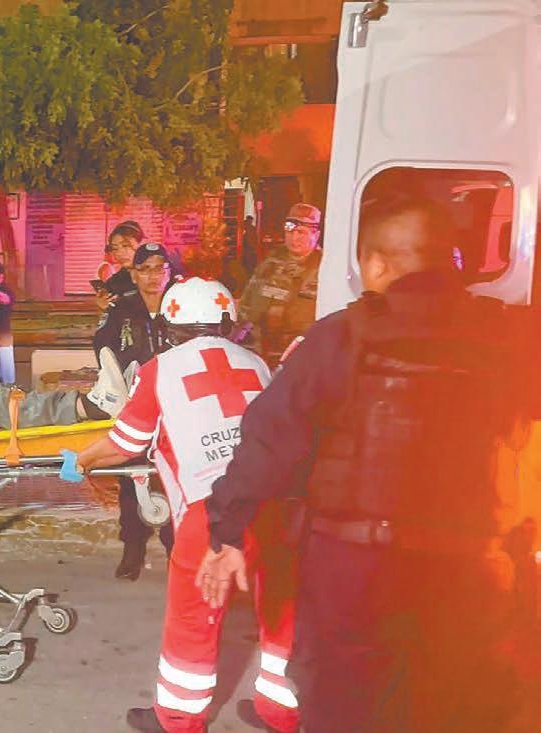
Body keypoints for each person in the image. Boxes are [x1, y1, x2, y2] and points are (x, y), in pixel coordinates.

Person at [198, 195, 533, 733]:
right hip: (470, 577)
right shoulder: (511, 336)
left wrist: (227, 530)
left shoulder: (341, 336)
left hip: (353, 574)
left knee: (345, 709)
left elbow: (269, 440)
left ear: (377, 263)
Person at [64, 277, 298, 733]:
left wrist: (81, 461)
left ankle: (178, 720)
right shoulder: (255, 363)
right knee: (280, 610)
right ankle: (280, 711)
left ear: (169, 326)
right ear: (228, 322)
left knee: (194, 618)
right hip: (271, 504)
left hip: (209, 511)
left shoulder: (161, 369)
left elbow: (125, 443)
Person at [92, 242, 175, 580]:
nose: (153, 276)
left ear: (169, 272)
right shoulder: (121, 309)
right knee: (130, 477)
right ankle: (133, 550)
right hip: (135, 405)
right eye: (145, 269)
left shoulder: (181, 305)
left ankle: (176, 549)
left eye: (159, 268)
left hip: (174, 406)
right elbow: (102, 349)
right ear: (134, 274)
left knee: (171, 478)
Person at [238, 203, 322, 366]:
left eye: (301, 232)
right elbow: (247, 306)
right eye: (290, 232)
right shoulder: (270, 262)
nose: (294, 238)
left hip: (303, 359)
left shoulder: (326, 268)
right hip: (262, 356)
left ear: (316, 235)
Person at [96, 220, 145, 307]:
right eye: (115, 248)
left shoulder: (159, 274)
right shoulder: (114, 282)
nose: (119, 253)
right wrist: (103, 305)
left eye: (125, 245)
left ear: (140, 244)